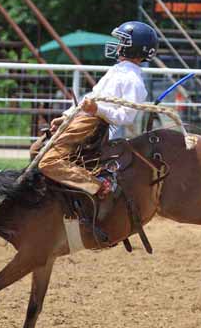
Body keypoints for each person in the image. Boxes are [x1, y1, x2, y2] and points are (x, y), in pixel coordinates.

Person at [38, 21, 157, 199]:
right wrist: (66, 117)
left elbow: (125, 117)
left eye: (122, 42)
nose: (117, 46)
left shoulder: (134, 81)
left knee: (48, 162)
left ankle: (98, 185)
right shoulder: (117, 70)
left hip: (90, 125)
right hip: (81, 120)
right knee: (36, 149)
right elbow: (92, 97)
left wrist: (97, 109)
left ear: (134, 48)